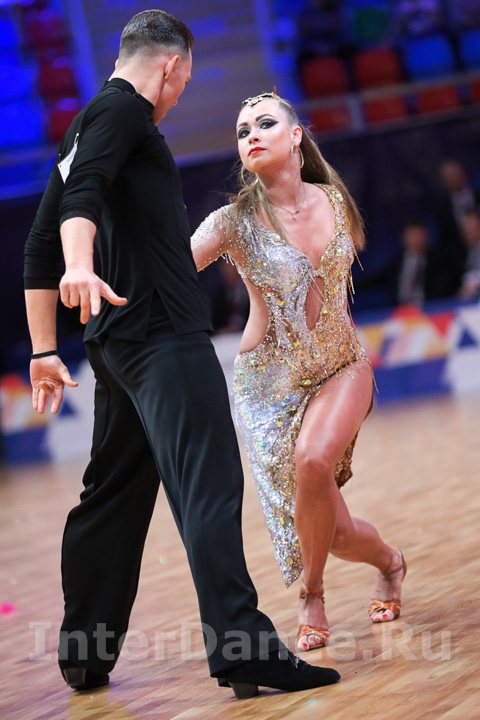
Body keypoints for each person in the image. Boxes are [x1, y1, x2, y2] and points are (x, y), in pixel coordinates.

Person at [23, 11, 340, 698]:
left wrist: (45, 346)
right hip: (163, 335)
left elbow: (38, 241)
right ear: (171, 66)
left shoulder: (84, 125)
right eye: (185, 82)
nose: (179, 94)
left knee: (112, 495)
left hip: (117, 346)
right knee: (208, 488)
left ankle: (85, 651)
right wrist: (80, 265)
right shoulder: (124, 115)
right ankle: (244, 648)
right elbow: (75, 214)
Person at [191, 92, 407, 653]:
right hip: (269, 386)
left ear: (295, 136)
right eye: (242, 131)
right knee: (335, 533)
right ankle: (390, 562)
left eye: (264, 123)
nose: (251, 135)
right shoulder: (232, 222)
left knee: (313, 459)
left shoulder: (334, 199)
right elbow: (171, 269)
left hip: (342, 365)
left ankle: (311, 595)